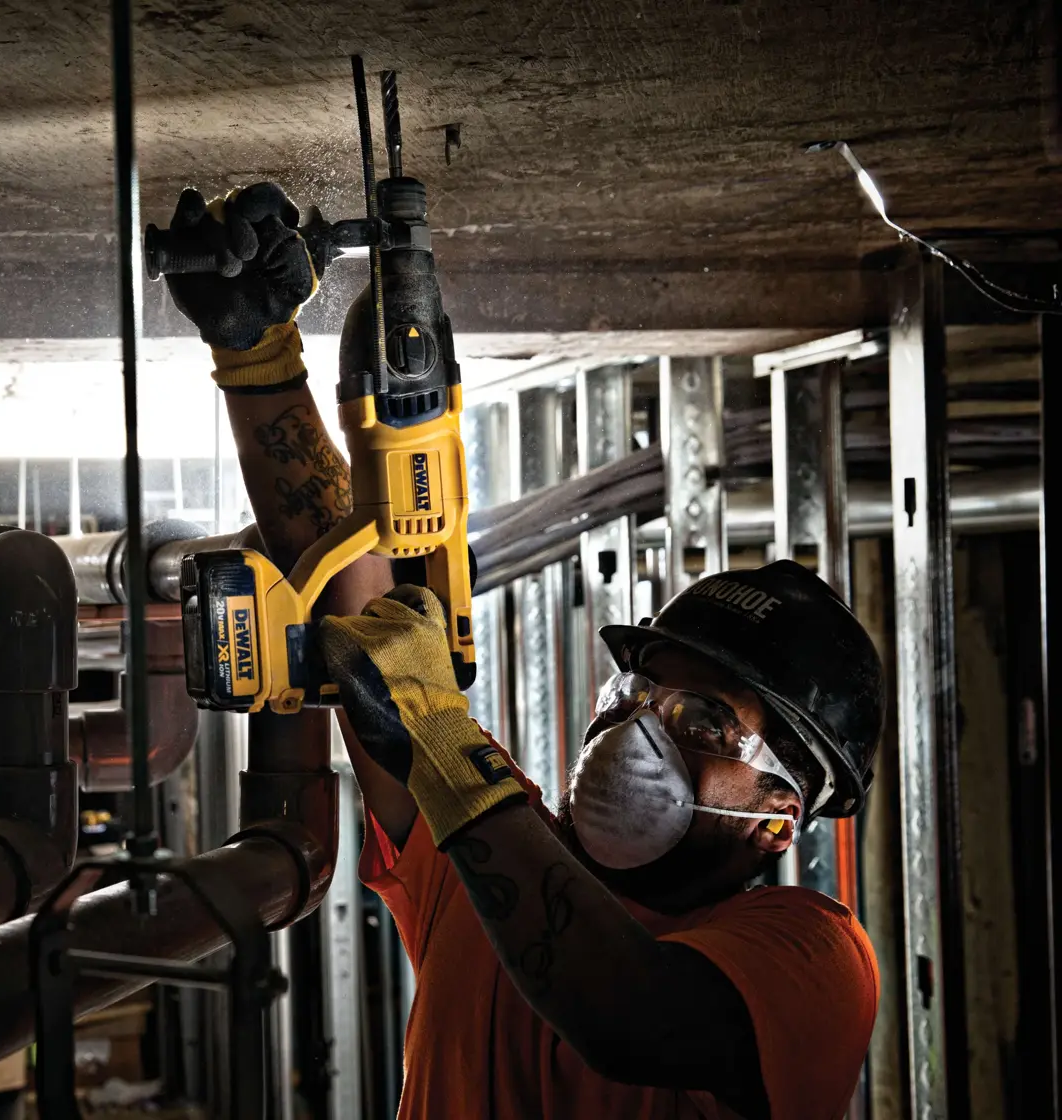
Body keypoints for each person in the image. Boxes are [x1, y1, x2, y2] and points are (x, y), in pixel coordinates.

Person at [165, 182, 885, 1120]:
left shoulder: (813, 955)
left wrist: (439, 731)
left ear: (781, 819)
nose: (636, 727)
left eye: (703, 719)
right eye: (637, 688)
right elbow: (352, 585)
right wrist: (257, 356)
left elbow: (629, 1016)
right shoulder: (493, 847)